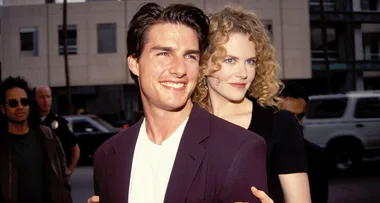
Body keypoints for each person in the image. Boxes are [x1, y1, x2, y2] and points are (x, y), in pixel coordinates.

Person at [92, 3, 269, 203]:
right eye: (164, 53)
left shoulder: (239, 149)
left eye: (190, 56)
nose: (179, 69)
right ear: (134, 63)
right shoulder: (108, 156)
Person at [192, 6, 311, 203]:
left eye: (250, 62)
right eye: (230, 60)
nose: (243, 73)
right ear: (204, 63)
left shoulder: (280, 125)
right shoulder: (186, 124)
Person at [0, 76, 72, 203]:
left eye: (24, 101)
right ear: (3, 109)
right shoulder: (2, 143)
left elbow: (63, 176)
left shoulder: (47, 136)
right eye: (13, 103)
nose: (20, 107)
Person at [279, 81, 329, 203]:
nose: (295, 122)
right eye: (288, 117)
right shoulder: (257, 152)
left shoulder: (315, 155)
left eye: (300, 116)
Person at [34, 85, 80, 174]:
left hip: (56, 173)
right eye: (41, 97)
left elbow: (75, 148)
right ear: (35, 99)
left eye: (48, 96)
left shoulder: (60, 123)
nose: (45, 100)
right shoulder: (31, 122)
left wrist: (69, 171)